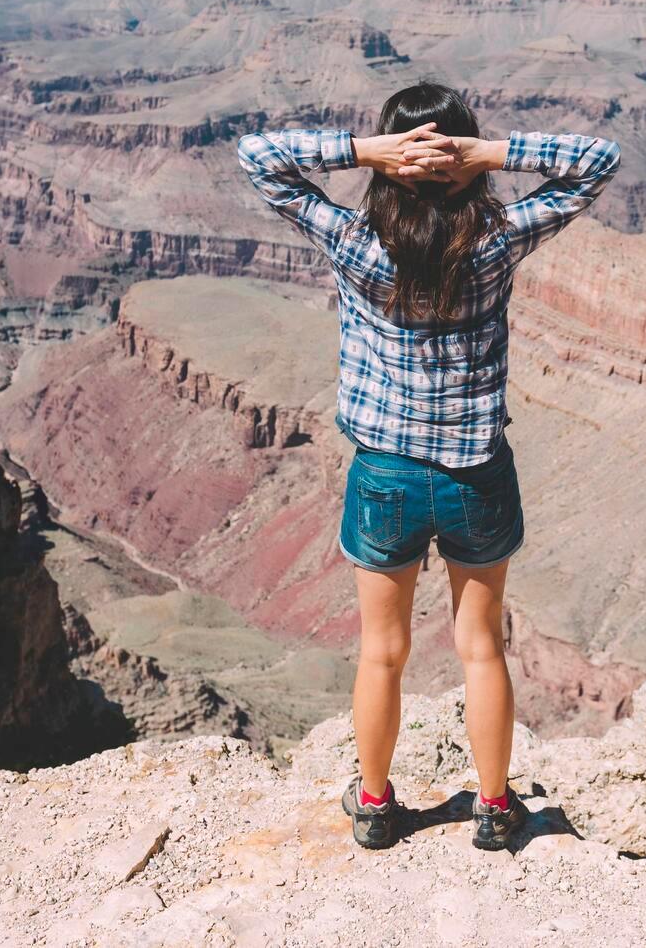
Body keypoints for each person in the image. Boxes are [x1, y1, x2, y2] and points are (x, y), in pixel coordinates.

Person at [237, 82, 621, 851]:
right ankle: (490, 807)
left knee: (381, 650)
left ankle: (375, 806)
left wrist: (362, 151)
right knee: (480, 645)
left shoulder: (354, 242)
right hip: (475, 473)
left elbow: (258, 159)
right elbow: (594, 162)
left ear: (389, 166)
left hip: (386, 476)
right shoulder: (496, 240)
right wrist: (483, 156)